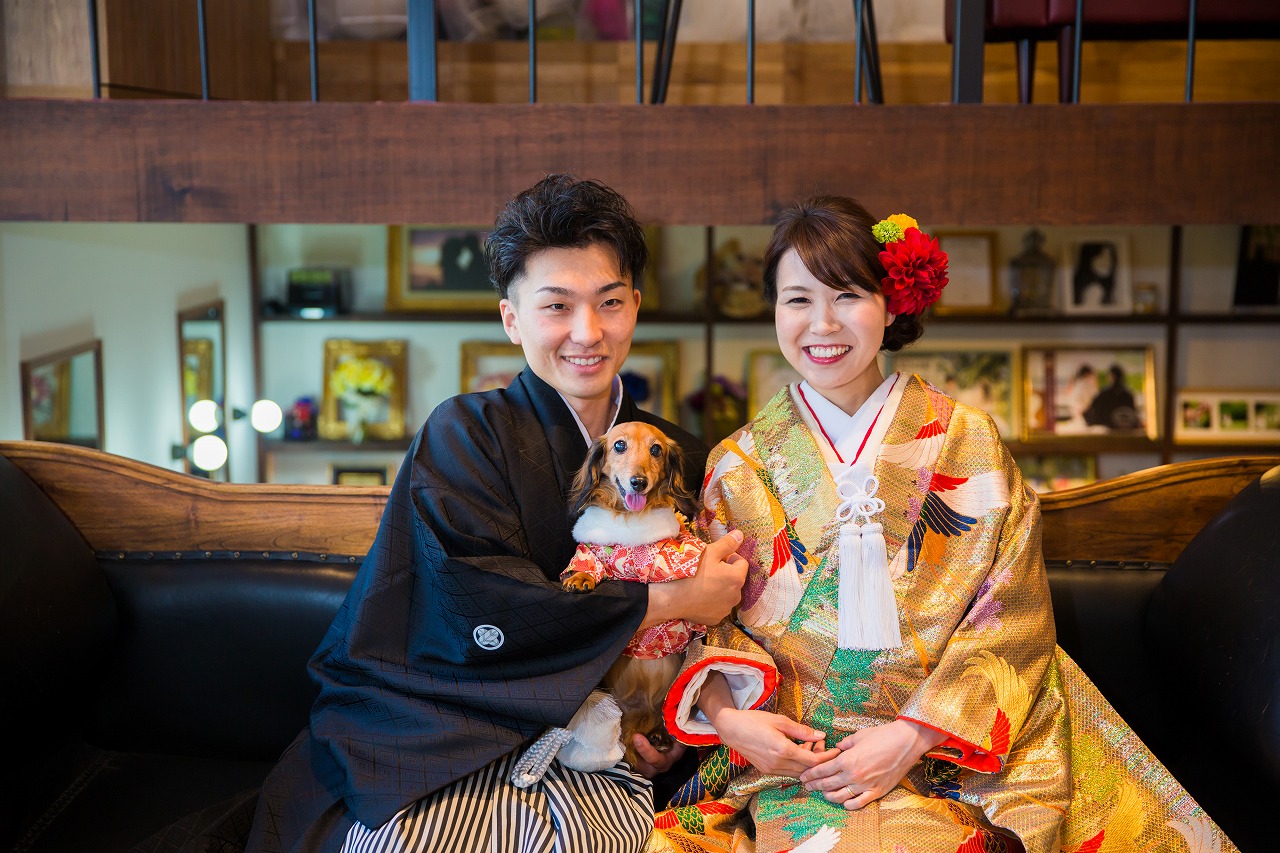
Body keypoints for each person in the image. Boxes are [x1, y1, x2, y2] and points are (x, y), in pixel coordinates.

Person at [646, 197, 1237, 853]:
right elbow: (709, 620)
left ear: (892, 304)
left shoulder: (968, 440)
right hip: (796, 762)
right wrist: (732, 722)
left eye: (847, 296)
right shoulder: (736, 465)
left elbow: (1012, 612)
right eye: (797, 300)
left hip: (955, 755)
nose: (822, 323)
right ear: (774, 310)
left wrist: (912, 735)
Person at [246, 175, 747, 853]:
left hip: (612, 739)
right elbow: (477, 601)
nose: (587, 332)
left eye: (609, 302)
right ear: (512, 318)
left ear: (635, 305)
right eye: (556, 306)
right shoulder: (463, 433)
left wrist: (668, 724)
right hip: (453, 724)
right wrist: (665, 600)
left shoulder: (678, 454)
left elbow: (714, 630)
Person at [1083, 363, 1139, 430]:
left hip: (1108, 430)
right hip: (1127, 430)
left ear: (1111, 376)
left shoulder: (1104, 394)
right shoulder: (1128, 395)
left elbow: (1092, 411)